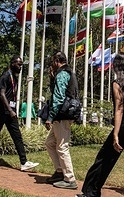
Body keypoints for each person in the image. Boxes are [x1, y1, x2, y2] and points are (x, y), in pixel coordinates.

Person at [77, 53, 124, 197]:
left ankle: (91, 192)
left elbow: (119, 109)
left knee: (104, 158)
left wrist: (116, 134)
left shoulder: (118, 83)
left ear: (115, 66)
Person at [0, 55, 39, 171]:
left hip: (10, 112)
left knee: (17, 136)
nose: (21, 67)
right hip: (3, 112)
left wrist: (13, 110)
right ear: (12, 64)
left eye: (21, 65)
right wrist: (10, 110)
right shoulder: (5, 76)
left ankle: (24, 162)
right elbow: (2, 94)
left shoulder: (14, 78)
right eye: (19, 64)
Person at [44, 51, 78, 190]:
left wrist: (50, 117)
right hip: (65, 115)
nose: (52, 64)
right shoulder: (67, 73)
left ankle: (70, 179)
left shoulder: (62, 74)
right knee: (50, 143)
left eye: (53, 61)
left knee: (62, 147)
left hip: (62, 116)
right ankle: (59, 171)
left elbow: (58, 97)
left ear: (57, 61)